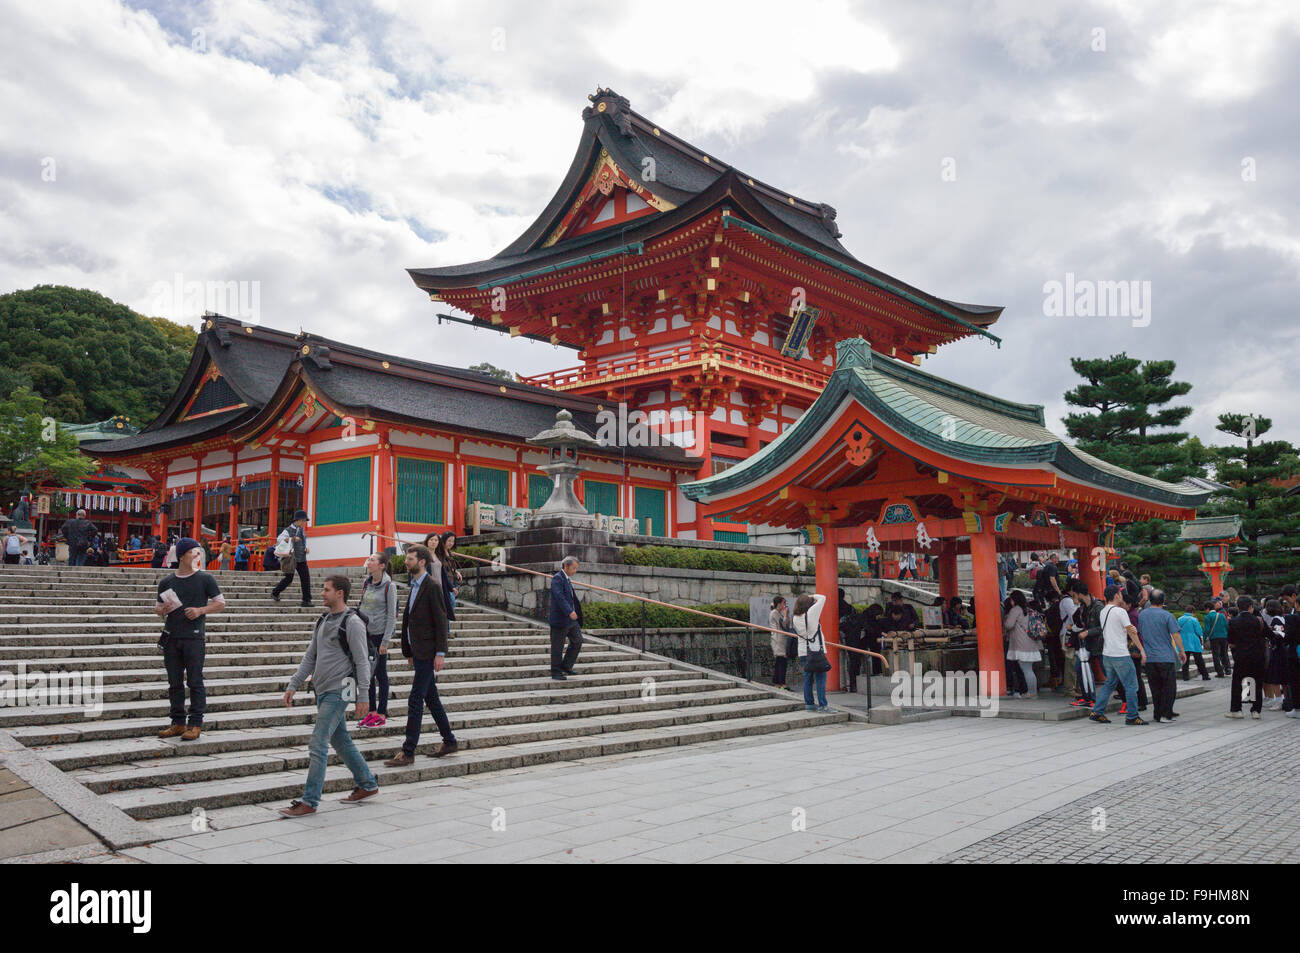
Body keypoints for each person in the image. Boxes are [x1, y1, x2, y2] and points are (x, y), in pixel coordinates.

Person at [279, 575, 378, 816]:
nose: (322, 594)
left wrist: (363, 696)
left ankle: (309, 801)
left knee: (318, 742)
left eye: (326, 590)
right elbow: (310, 656)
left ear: (340, 593)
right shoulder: (323, 620)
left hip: (340, 689)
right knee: (340, 739)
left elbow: (363, 661)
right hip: (321, 689)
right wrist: (294, 683)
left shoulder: (352, 623)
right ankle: (367, 783)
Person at [384, 545, 458, 765]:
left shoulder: (432, 586)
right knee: (431, 698)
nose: (406, 561)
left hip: (428, 652)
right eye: (406, 557)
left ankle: (408, 752)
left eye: (410, 558)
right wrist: (408, 649)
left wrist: (440, 653)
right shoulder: (414, 585)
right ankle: (450, 740)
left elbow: (440, 619)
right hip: (418, 651)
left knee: (416, 699)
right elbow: (410, 619)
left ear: (422, 562)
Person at [154, 538, 225, 740]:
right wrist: (162, 610)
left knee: (195, 681)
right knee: (174, 681)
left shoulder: (205, 579)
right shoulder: (167, 582)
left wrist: (201, 610)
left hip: (194, 637)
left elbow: (221, 603)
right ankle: (177, 722)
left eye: (198, 552)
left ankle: (195, 723)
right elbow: (157, 608)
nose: (197, 555)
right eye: (193, 552)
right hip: (171, 636)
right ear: (183, 555)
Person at [1088, 586, 1148, 725]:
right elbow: (1131, 632)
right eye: (1120, 593)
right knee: (1132, 685)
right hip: (1120, 653)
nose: (1122, 595)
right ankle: (1132, 716)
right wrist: (1142, 650)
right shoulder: (1120, 611)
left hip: (1108, 653)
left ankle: (1097, 711)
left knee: (1110, 683)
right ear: (1116, 596)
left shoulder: (1103, 611)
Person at [357, 553, 398, 728]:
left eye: (373, 560)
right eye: (369, 559)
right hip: (365, 635)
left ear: (381, 565)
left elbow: (392, 615)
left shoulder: (389, 586)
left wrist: (385, 642)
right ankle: (371, 712)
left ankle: (381, 713)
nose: (369, 562)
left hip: (380, 635)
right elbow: (362, 606)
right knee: (368, 674)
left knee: (380, 674)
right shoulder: (367, 583)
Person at [1136, 589, 1185, 723]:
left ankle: (1157, 713)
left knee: (1155, 687)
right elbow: (1175, 634)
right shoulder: (1167, 615)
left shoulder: (1142, 615)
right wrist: (1182, 651)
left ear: (1150, 600)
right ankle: (1166, 713)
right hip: (1165, 656)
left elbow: (1138, 632)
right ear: (1163, 601)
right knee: (1169, 687)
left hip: (1149, 657)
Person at [1226, 595, 1267, 719]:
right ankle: (1256, 710)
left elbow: (1231, 641)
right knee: (1256, 681)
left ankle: (1237, 709)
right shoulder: (1258, 620)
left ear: (1238, 607)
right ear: (1251, 607)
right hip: (1257, 655)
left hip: (1241, 655)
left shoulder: (1233, 621)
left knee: (1238, 681)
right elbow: (1269, 634)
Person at [792, 592, 830, 711]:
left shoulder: (795, 618)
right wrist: (812, 596)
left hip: (803, 651)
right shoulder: (811, 613)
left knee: (808, 678)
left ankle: (809, 704)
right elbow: (823, 597)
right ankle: (823, 705)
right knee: (820, 678)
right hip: (816, 650)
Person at [548, 555, 584, 680]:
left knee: (578, 640)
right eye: (573, 568)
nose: (575, 571)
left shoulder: (567, 579)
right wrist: (569, 611)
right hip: (560, 619)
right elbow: (559, 597)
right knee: (557, 646)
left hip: (571, 619)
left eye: (576, 568)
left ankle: (566, 666)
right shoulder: (557, 579)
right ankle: (556, 671)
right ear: (565, 566)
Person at [1003, 590, 1040, 698]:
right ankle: (1033, 692)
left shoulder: (1015, 610)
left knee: (1026, 669)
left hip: (1021, 643)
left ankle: (1031, 693)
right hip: (1030, 642)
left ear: (1013, 600)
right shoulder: (1027, 609)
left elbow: (1009, 625)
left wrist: (1005, 621)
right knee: (1029, 669)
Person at [271, 510, 312, 607]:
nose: (304, 523)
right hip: (291, 558)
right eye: (303, 521)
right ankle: (275, 592)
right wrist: (292, 538)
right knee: (289, 578)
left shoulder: (301, 530)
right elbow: (279, 539)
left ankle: (306, 600)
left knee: (305, 578)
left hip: (301, 557)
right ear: (298, 520)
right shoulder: (287, 530)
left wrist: (305, 548)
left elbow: (303, 542)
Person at [433, 532, 460, 621]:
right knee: (450, 603)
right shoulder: (439, 553)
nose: (451, 543)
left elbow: (451, 567)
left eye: (453, 541)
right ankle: (446, 630)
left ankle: (446, 628)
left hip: (451, 580)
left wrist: (456, 572)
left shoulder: (449, 552)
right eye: (449, 541)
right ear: (443, 540)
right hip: (445, 582)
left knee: (451, 605)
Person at [1178, 609, 1209, 681]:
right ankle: (1205, 675)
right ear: (1192, 612)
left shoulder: (1179, 619)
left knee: (1185, 660)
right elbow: (1199, 631)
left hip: (1183, 641)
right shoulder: (1194, 620)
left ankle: (1185, 676)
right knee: (1199, 659)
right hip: (1194, 641)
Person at [1203, 600, 1231, 678]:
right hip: (1224, 637)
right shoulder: (1221, 615)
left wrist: (1204, 639)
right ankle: (1227, 668)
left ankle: (1220, 672)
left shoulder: (1207, 617)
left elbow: (1206, 630)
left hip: (1214, 638)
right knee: (1224, 653)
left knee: (1216, 655)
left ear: (1208, 609)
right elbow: (1227, 626)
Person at [769, 595, 792, 689]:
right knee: (781, 661)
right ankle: (780, 682)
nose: (784, 605)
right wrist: (786, 615)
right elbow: (782, 624)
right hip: (778, 639)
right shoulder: (774, 613)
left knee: (781, 661)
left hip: (782, 639)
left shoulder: (780, 612)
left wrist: (786, 615)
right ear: (779, 604)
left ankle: (778, 682)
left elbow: (787, 625)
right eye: (783, 603)